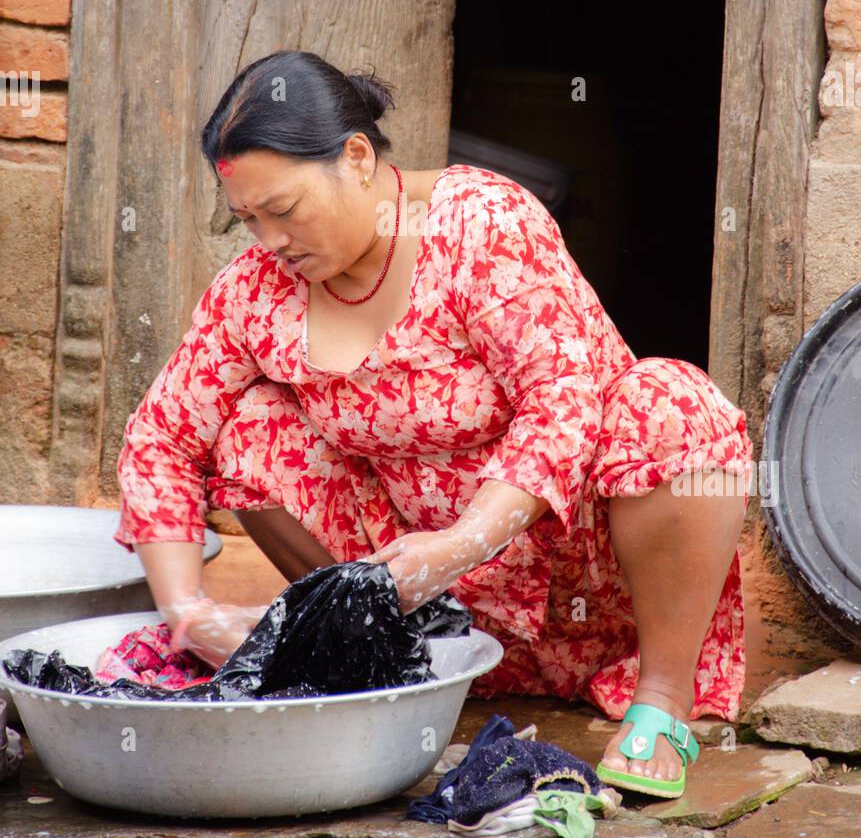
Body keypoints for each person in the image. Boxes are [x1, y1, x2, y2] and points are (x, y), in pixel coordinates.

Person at [113, 49, 752, 799]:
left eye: (282, 210)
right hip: (424, 600)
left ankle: (662, 702)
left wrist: (458, 543)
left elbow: (562, 396)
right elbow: (161, 439)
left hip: (586, 575)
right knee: (250, 425)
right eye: (247, 220)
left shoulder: (480, 226)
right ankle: (374, 655)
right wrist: (186, 612)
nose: (269, 242)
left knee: (671, 402)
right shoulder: (256, 292)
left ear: (356, 157)